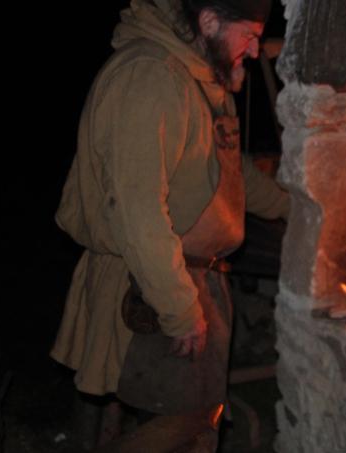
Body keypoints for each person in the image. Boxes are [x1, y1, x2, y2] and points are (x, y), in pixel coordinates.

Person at [51, 0, 289, 449]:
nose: (256, 51)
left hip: (194, 278)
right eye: (250, 35)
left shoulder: (198, 78)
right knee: (179, 428)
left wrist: (291, 206)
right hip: (151, 281)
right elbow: (137, 209)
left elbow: (224, 169)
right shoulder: (150, 76)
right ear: (209, 21)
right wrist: (178, 308)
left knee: (193, 425)